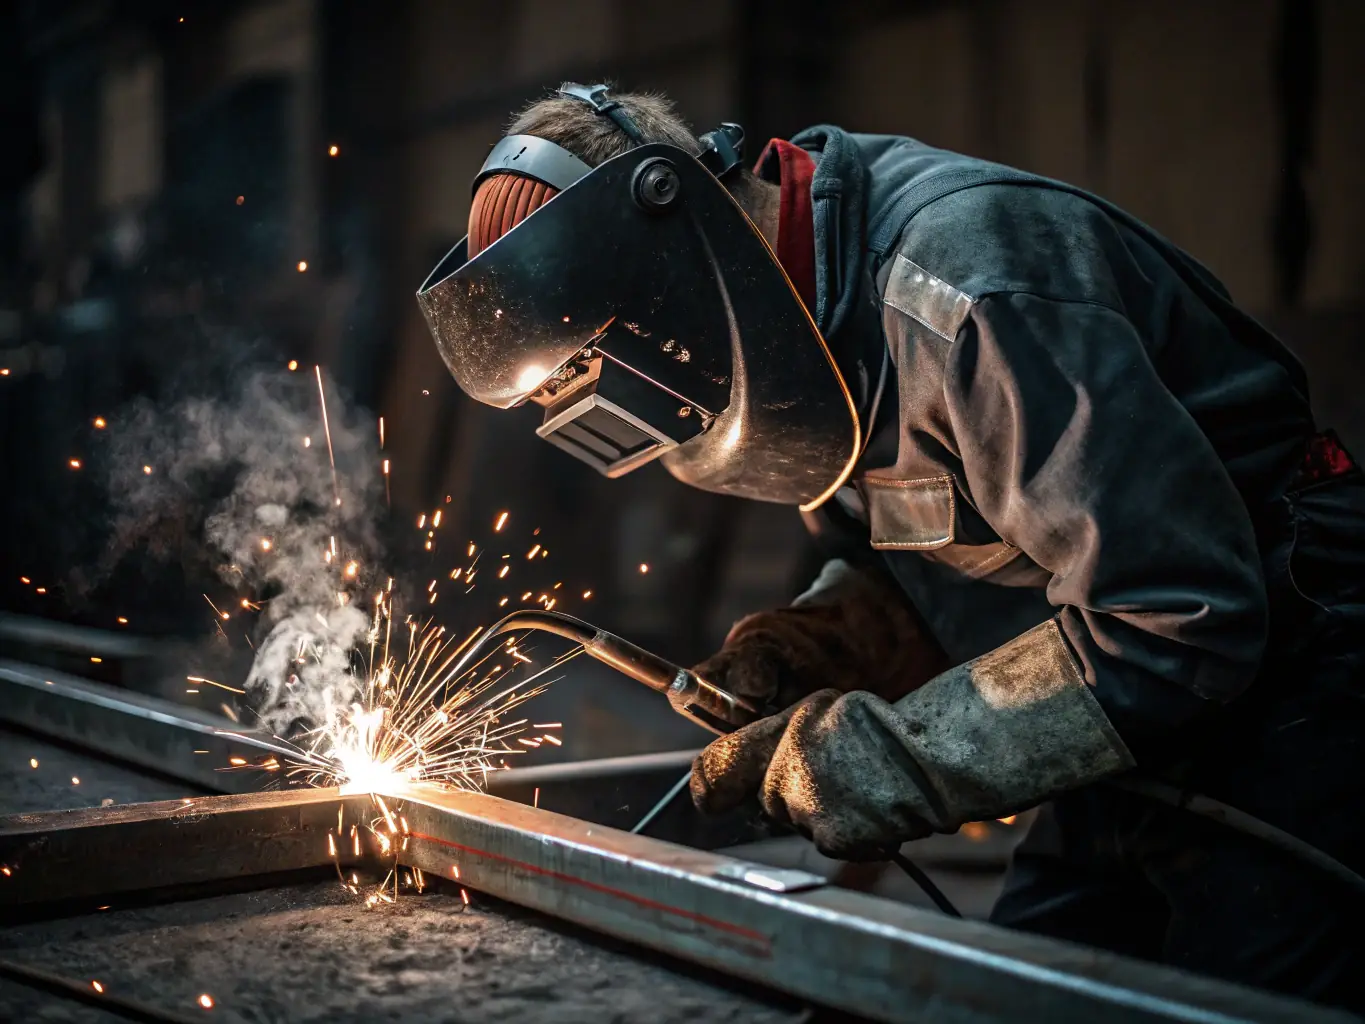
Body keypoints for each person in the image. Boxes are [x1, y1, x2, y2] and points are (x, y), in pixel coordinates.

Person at [417, 83, 1365, 1011]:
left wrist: (895, 758)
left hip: (1291, 665)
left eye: (597, 355)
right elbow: (933, 542)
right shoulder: (798, 335)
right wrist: (832, 635)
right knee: (1019, 994)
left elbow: (1176, 612)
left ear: (667, 255)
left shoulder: (967, 297)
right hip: (1124, 707)